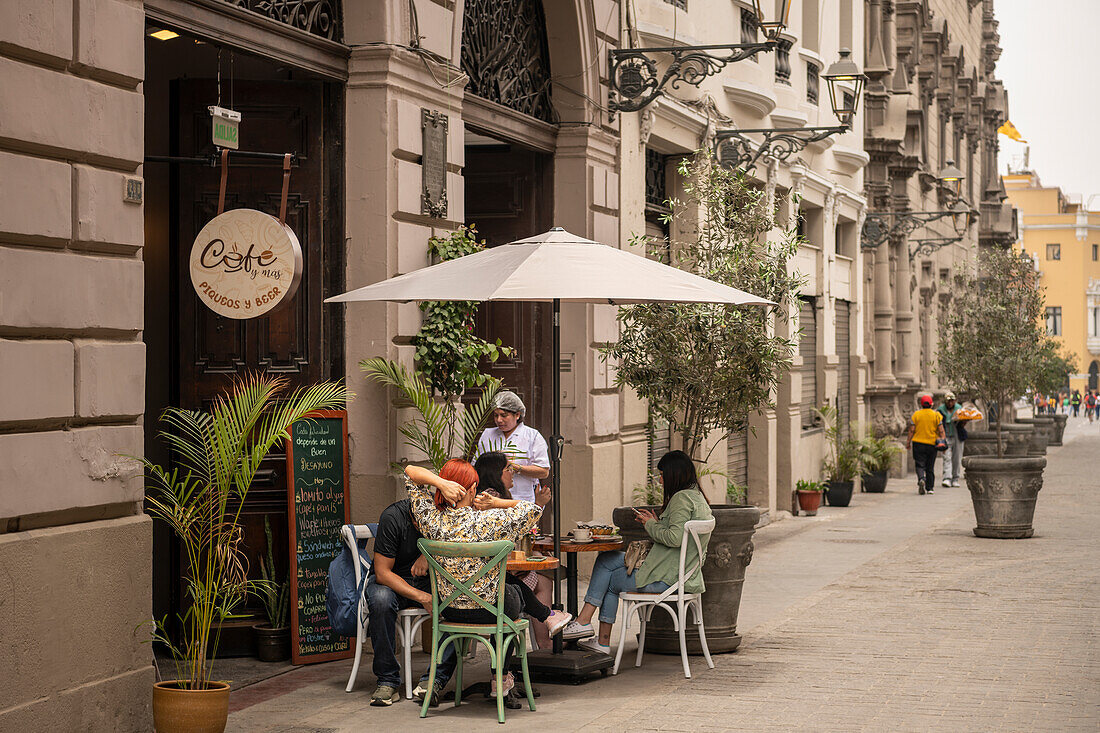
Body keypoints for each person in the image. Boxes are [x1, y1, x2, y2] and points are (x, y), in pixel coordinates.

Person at [404, 461, 548, 699]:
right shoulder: (488, 521)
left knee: (509, 590)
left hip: (450, 611)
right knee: (512, 592)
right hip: (491, 611)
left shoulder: (432, 521)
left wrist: (439, 483)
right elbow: (533, 510)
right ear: (472, 489)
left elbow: (410, 472)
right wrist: (497, 503)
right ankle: (500, 677)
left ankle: (498, 676)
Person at [560, 450, 714, 656]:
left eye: (662, 475)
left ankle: (586, 624)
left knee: (610, 579)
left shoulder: (681, 499)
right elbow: (681, 534)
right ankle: (593, 632)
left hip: (667, 579)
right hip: (682, 574)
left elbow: (675, 538)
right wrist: (657, 523)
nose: (660, 480)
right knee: (607, 560)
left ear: (673, 474)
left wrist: (650, 525)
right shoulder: (697, 498)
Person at [364, 463, 475, 707]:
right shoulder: (394, 517)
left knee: (462, 603)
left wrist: (428, 552)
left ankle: (432, 680)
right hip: (391, 581)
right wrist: (422, 597)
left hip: (429, 581)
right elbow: (382, 573)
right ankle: (387, 681)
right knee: (381, 600)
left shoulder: (449, 518)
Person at [473, 451, 572, 646]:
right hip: (489, 581)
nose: (512, 473)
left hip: (485, 577)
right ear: (496, 473)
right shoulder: (490, 498)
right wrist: (538, 504)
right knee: (537, 582)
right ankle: (545, 639)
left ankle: (548, 626)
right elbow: (520, 522)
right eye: (508, 469)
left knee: (539, 579)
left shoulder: (488, 496)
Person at [475, 391, 550, 504]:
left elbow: (544, 471)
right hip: (491, 499)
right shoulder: (487, 434)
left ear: (518, 415)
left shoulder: (532, 436)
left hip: (523, 497)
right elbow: (475, 465)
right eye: (496, 415)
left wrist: (516, 468)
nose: (499, 420)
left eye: (504, 415)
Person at [907, 394, 945, 495]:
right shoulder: (936, 415)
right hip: (932, 444)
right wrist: (943, 442)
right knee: (930, 466)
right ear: (931, 404)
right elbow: (941, 430)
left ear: (921, 404)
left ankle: (921, 478)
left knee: (919, 464)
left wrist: (908, 442)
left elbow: (911, 430)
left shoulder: (916, 415)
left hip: (918, 443)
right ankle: (930, 488)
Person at [936, 392, 964, 488]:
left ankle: (955, 478)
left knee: (957, 458)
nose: (950, 403)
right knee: (946, 457)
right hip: (946, 436)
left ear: (955, 401)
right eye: (948, 401)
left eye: (952, 401)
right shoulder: (940, 410)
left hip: (957, 436)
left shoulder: (959, 409)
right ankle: (947, 478)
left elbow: (963, 424)